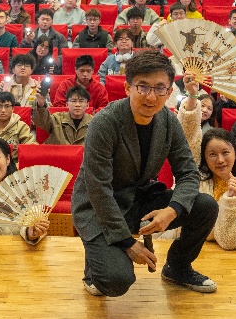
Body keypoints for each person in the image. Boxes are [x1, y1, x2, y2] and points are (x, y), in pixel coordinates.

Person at [72, 50, 219, 296]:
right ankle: (94, 266)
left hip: (139, 199)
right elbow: (99, 190)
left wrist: (172, 210)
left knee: (205, 205)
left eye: (159, 88)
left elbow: (188, 173)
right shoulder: (104, 123)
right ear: (127, 88)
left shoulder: (168, 121)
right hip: (98, 207)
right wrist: (129, 244)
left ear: (169, 92)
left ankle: (177, 267)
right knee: (115, 281)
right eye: (143, 87)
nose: (151, 96)